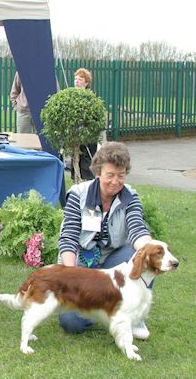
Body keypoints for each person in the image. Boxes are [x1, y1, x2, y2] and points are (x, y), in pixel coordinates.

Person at [57, 142, 161, 335]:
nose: (116, 182)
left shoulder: (130, 197)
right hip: (81, 262)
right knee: (73, 324)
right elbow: (69, 237)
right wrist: (71, 276)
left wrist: (149, 249)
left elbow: (137, 228)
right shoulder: (78, 194)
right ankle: (109, 309)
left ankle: (136, 318)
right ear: (98, 172)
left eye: (121, 175)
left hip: (114, 259)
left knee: (141, 255)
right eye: (110, 175)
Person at [73, 68, 97, 180]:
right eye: (76, 79)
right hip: (75, 133)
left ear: (86, 82)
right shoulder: (71, 96)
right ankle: (76, 178)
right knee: (75, 155)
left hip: (88, 133)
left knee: (87, 156)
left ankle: (87, 179)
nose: (77, 81)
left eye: (80, 79)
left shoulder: (91, 97)